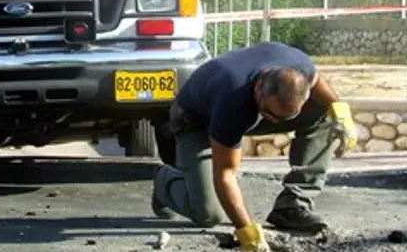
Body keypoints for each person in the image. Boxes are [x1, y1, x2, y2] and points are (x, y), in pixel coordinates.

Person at [150, 41, 358, 252]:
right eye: (270, 114)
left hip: (248, 107)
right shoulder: (232, 101)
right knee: (208, 214)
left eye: (285, 116)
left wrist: (341, 112)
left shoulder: (299, 66)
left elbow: (317, 81)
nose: (275, 122)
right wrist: (249, 235)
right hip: (195, 120)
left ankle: (293, 205)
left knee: (323, 113)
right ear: (260, 86)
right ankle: (164, 181)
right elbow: (225, 174)